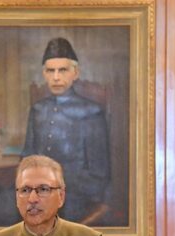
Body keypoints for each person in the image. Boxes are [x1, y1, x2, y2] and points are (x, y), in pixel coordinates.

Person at [21, 37, 110, 225]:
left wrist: (54, 190)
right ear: (44, 74)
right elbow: (26, 158)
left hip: (75, 196)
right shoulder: (37, 110)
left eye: (62, 70)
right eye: (50, 71)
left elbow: (99, 174)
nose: (56, 77)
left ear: (75, 73)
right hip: (35, 195)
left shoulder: (92, 112)